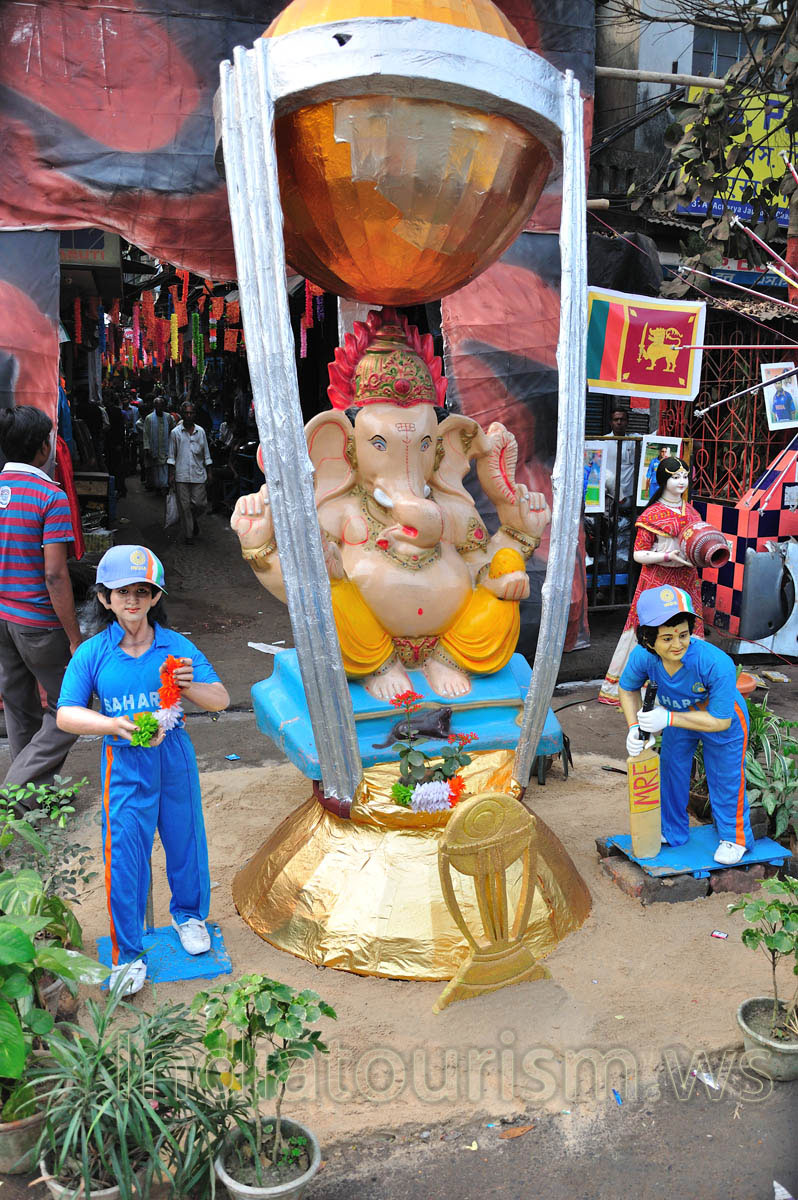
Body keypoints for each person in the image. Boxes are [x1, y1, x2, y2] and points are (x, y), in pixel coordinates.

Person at [56, 545, 229, 996]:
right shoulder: (94, 653)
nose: (131, 600)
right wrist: (112, 724)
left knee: (185, 839)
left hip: (173, 757)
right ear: (104, 598)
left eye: (142, 591)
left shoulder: (178, 647)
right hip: (123, 762)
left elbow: (222, 700)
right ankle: (126, 953)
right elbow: (66, 715)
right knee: (126, 857)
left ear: (155, 597)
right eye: (121, 592)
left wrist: (192, 690)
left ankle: (189, 916)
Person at [619, 585, 752, 866]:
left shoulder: (715, 663)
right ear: (648, 639)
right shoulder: (644, 657)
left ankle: (735, 837)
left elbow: (720, 720)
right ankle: (672, 830)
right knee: (671, 769)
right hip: (676, 713)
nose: (677, 644)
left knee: (725, 775)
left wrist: (666, 718)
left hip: (721, 718)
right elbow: (627, 688)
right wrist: (634, 727)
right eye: (666, 638)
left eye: (683, 634)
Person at [0, 406, 81, 789]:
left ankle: (35, 798)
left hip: (2, 617)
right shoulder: (50, 497)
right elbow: (55, 574)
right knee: (72, 704)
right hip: (37, 622)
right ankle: (15, 790)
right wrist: (74, 635)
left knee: (20, 707)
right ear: (42, 447)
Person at [600, 454, 703, 705]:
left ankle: (686, 686)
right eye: (675, 477)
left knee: (686, 628)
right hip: (658, 581)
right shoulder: (652, 514)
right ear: (663, 480)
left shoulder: (692, 512)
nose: (682, 482)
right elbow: (637, 554)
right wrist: (667, 555)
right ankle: (641, 688)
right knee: (654, 630)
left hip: (686, 579)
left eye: (685, 477)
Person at [168, 401, 213, 545]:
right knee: (185, 506)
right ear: (182, 414)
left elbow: (206, 453)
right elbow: (171, 456)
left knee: (200, 504)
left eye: (191, 413)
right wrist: (171, 474)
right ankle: (189, 535)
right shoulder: (175, 433)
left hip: (198, 474)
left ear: (194, 414)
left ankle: (192, 520)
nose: (188, 416)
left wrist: (209, 471)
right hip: (181, 475)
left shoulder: (201, 432)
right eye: (186, 413)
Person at [143, 394, 172, 495]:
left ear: (164, 406)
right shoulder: (149, 418)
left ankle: (164, 486)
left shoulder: (168, 417)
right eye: (157, 406)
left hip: (166, 447)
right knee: (155, 468)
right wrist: (147, 447)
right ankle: (158, 486)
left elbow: (172, 431)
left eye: (161, 406)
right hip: (154, 448)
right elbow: (146, 434)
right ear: (154, 406)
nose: (159, 408)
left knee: (165, 467)